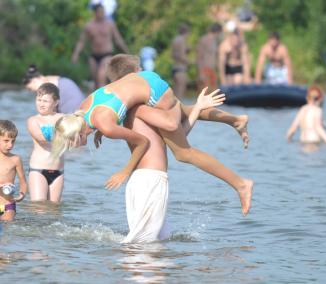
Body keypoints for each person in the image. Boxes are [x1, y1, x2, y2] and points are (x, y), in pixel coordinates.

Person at [52, 54, 253, 215]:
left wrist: (125, 171)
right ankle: (235, 120)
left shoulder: (105, 125)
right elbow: (106, 108)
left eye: (70, 144)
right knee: (183, 111)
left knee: (182, 151)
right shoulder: (82, 109)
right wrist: (102, 130)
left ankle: (241, 184)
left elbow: (142, 142)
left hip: (155, 92)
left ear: (77, 135)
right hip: (145, 80)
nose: (72, 148)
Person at [119, 85, 217, 243]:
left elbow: (179, 137)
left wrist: (197, 107)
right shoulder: (140, 109)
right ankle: (116, 265)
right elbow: (173, 125)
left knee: (158, 239)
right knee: (143, 242)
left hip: (145, 180)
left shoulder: (146, 112)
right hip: (150, 179)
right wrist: (175, 104)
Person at [72, 3, 129, 89]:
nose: (102, 14)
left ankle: (104, 100)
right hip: (94, 56)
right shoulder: (89, 26)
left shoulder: (110, 24)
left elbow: (118, 39)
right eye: (100, 12)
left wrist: (127, 52)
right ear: (95, 13)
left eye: (103, 12)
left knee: (101, 78)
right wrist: (75, 54)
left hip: (106, 54)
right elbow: (82, 41)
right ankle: (97, 99)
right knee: (95, 81)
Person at [27, 83, 65, 203]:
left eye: (45, 101)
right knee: (39, 208)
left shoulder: (63, 118)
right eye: (39, 100)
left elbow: (79, 138)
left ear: (56, 102)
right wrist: (66, 134)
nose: (41, 104)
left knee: (54, 210)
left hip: (58, 172)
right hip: (38, 170)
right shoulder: (33, 120)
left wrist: (80, 136)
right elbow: (41, 139)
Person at [0, 120, 28, 221]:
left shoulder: (15, 159)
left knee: (7, 231)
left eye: (13, 141)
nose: (10, 145)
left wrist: (22, 194)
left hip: (8, 205)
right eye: (6, 141)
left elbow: (23, 181)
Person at [196, 23, 222, 91]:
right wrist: (200, 73)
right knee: (205, 93)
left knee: (214, 93)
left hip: (212, 70)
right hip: (205, 69)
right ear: (217, 31)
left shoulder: (215, 41)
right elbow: (199, 57)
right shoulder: (204, 40)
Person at [171, 24, 190, 100]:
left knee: (175, 90)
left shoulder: (175, 40)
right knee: (180, 91)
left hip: (175, 67)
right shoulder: (182, 40)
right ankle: (178, 109)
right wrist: (189, 62)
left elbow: (173, 54)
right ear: (187, 32)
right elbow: (182, 56)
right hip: (181, 68)